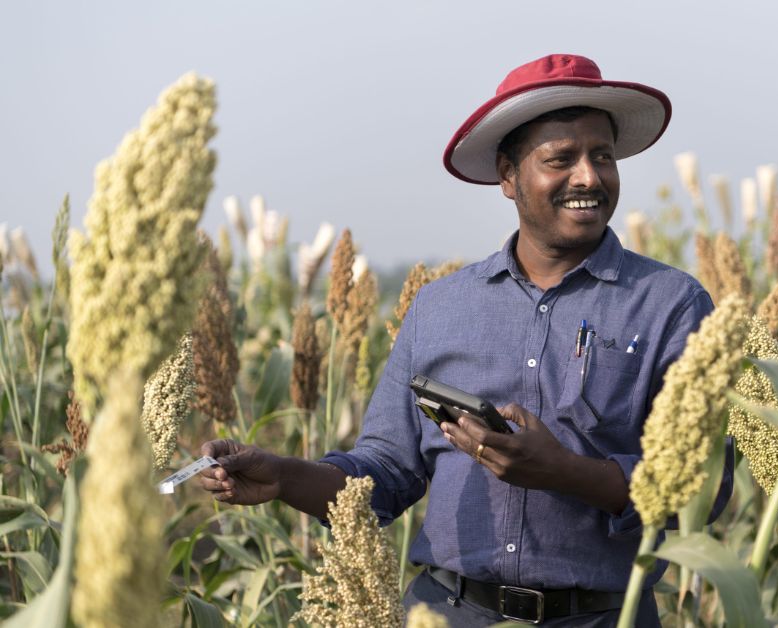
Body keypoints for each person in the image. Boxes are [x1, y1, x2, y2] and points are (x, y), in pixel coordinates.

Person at [199, 53, 728, 626]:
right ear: (508, 175)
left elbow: (704, 486)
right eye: (561, 158)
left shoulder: (672, 304)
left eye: (603, 156)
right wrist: (283, 476)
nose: (588, 177)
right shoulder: (440, 307)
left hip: (601, 617)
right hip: (448, 613)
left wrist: (564, 472)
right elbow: (384, 473)